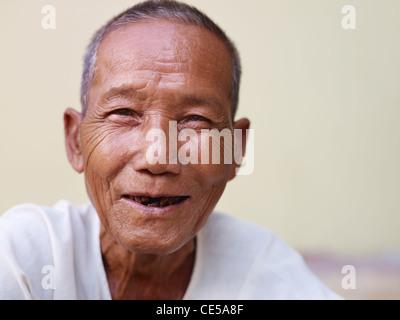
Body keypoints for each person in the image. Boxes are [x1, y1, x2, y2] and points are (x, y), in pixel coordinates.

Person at [0, 0, 342, 300]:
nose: (158, 158)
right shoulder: (26, 256)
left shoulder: (263, 271)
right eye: (124, 113)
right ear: (75, 140)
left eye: (195, 120)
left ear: (235, 150)